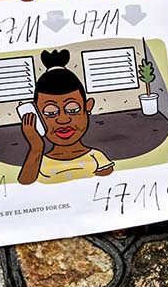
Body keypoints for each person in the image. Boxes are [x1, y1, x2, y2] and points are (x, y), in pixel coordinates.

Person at [18, 49, 114, 185]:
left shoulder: (96, 157)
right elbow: (25, 182)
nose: (63, 119)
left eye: (73, 109)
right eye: (50, 112)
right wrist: (36, 147)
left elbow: (108, 180)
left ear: (88, 106)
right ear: (37, 114)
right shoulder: (39, 161)